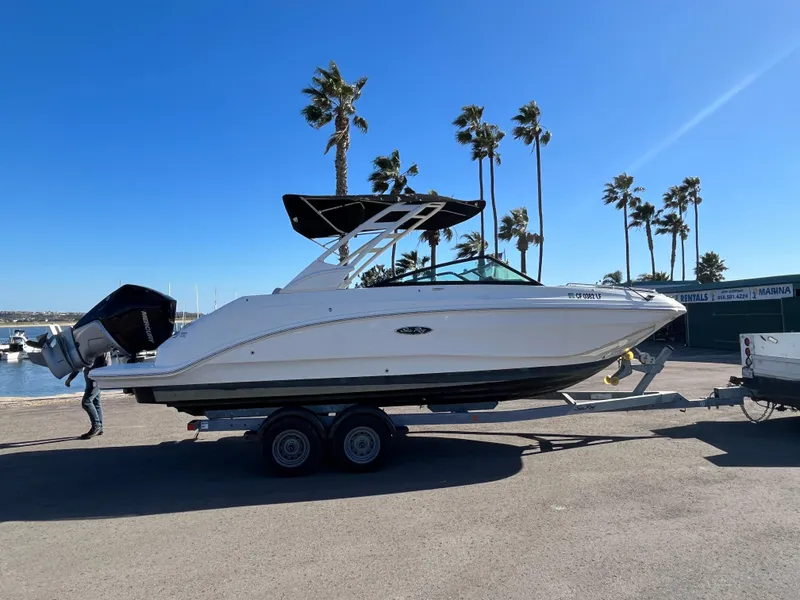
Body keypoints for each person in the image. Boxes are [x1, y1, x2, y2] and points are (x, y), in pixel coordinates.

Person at [66, 352, 111, 439]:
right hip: (90, 379)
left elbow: (107, 364)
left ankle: (96, 426)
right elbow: (80, 363)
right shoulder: (89, 346)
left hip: (97, 379)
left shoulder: (103, 347)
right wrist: (70, 378)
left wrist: (104, 379)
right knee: (96, 402)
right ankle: (99, 428)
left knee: (86, 402)